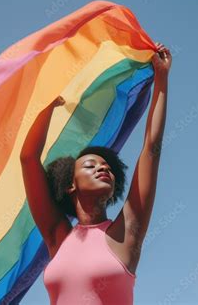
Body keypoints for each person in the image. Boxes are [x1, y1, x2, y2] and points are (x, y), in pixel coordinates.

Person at [20, 42, 172, 304]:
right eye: (91, 165)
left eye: (108, 168)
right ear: (70, 185)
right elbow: (28, 159)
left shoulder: (125, 234)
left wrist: (162, 78)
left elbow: (151, 149)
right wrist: (47, 108)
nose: (104, 168)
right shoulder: (58, 235)